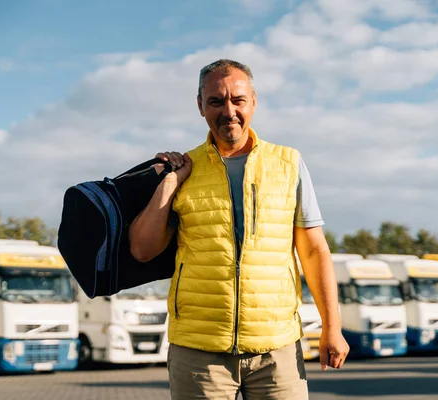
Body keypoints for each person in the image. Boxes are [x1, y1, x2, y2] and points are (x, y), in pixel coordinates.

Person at [129, 59, 349, 399]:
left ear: (253, 102)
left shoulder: (288, 164)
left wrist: (332, 327)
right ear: (200, 106)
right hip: (199, 352)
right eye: (216, 101)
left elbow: (314, 250)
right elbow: (143, 249)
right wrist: (169, 182)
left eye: (238, 100)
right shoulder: (182, 169)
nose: (228, 111)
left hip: (276, 349)